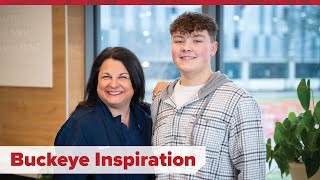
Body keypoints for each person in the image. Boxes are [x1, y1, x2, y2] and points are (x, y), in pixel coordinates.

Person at [151, 12, 266, 179]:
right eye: (179, 41)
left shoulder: (239, 101)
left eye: (196, 40)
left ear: (213, 48)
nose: (186, 47)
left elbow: (252, 173)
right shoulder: (161, 100)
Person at [53, 47, 153, 180]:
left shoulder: (146, 120)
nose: (113, 84)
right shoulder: (80, 125)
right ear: (96, 82)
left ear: (135, 82)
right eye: (106, 77)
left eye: (122, 77)